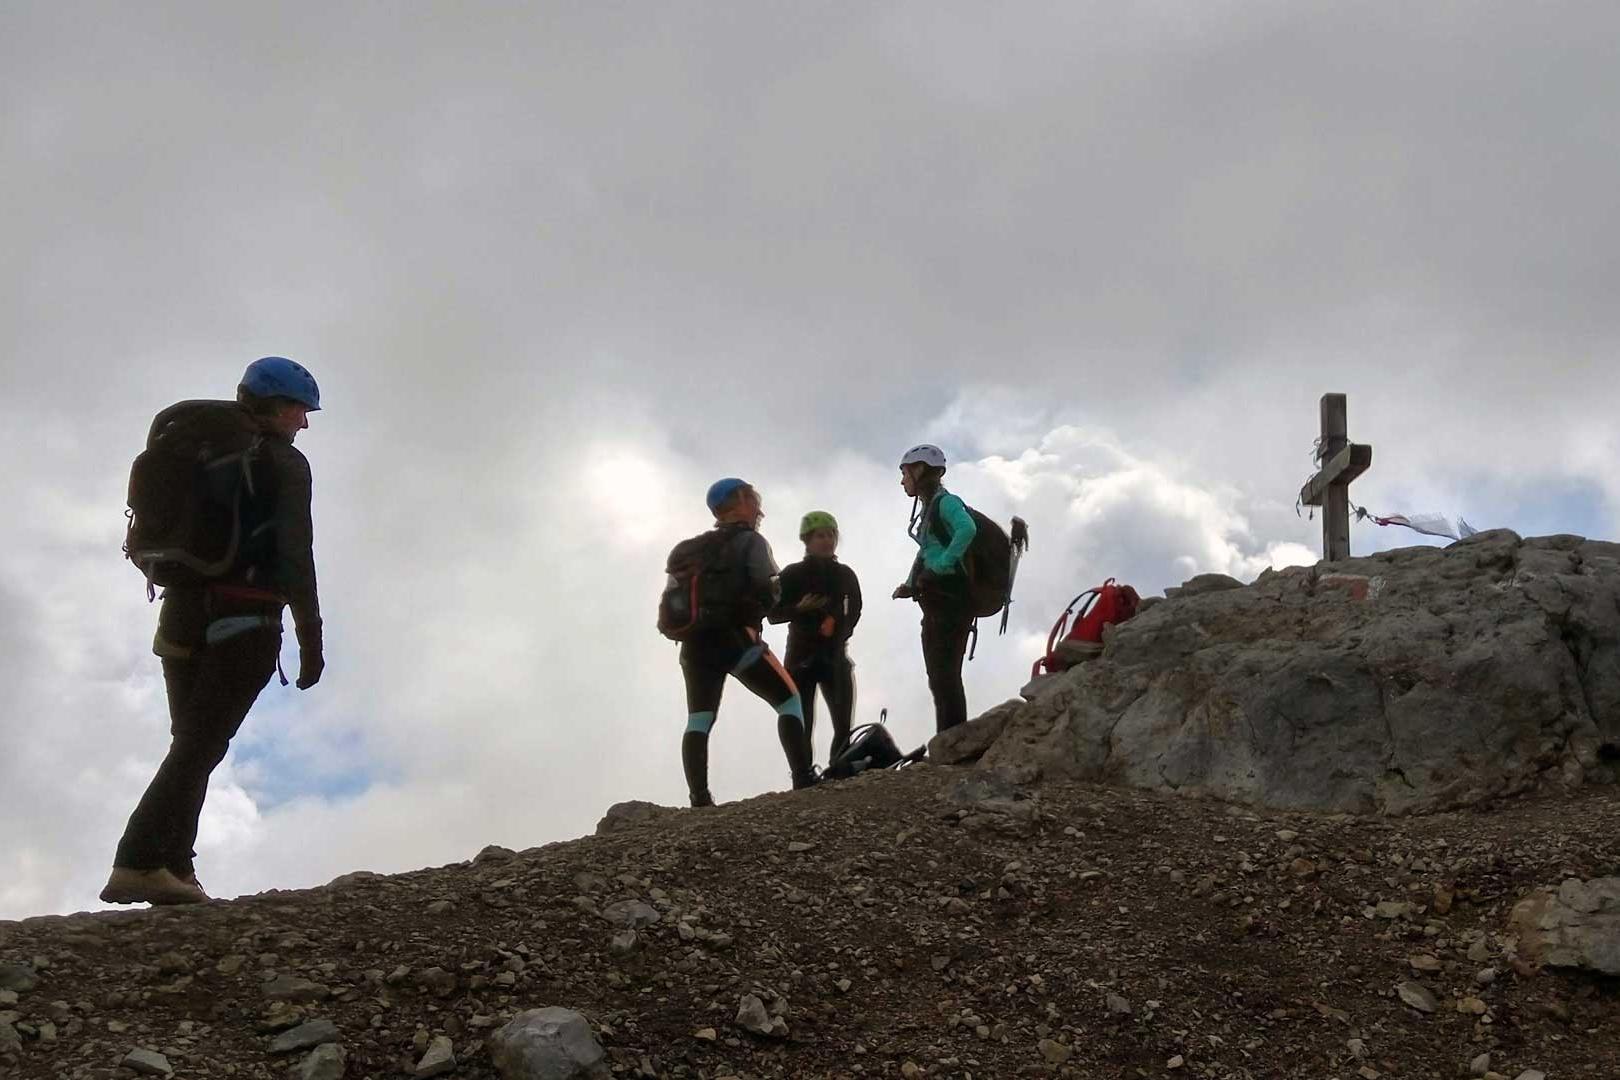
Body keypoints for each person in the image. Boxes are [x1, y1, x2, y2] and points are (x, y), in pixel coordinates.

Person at [100, 356, 325, 906]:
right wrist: (310, 636)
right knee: (201, 746)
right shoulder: (285, 465)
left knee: (193, 744)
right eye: (300, 409)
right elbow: (296, 554)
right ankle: (136, 859)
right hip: (246, 618)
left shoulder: (195, 448)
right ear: (278, 405)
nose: (304, 423)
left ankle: (174, 868)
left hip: (179, 613)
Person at [677, 478, 816, 807]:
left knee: (699, 718)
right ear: (739, 500)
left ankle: (699, 798)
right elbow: (767, 587)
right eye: (754, 500)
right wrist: (783, 606)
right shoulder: (751, 541)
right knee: (790, 700)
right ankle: (804, 778)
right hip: (738, 640)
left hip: (694, 646)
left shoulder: (691, 550)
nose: (760, 509)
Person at [891, 444, 977, 734]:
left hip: (950, 596)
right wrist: (911, 584)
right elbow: (927, 550)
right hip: (938, 598)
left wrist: (940, 566)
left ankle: (953, 739)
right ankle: (950, 737)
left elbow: (967, 529)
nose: (903, 480)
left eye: (905, 473)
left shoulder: (946, 503)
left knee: (944, 673)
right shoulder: (931, 507)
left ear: (919, 470)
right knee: (940, 673)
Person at [770, 511, 862, 766]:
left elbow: (855, 611)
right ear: (807, 540)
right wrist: (799, 609)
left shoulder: (845, 574)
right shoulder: (792, 574)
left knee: (843, 722)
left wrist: (838, 625)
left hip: (834, 656)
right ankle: (804, 776)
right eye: (820, 535)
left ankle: (839, 769)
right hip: (802, 659)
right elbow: (773, 614)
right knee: (803, 723)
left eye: (831, 535)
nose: (827, 540)